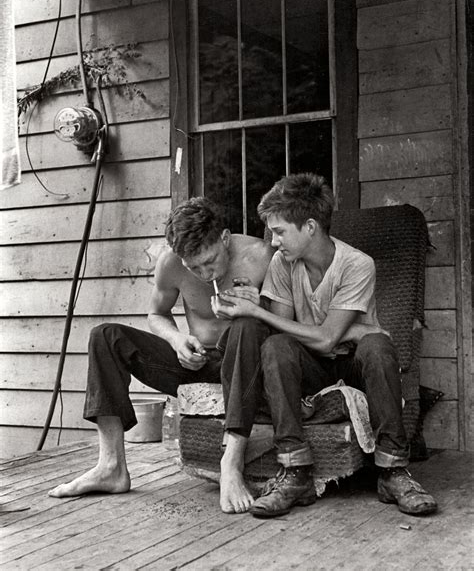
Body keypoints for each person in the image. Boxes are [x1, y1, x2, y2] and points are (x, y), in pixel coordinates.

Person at [212, 173, 437, 519]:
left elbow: (328, 338)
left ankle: (393, 472)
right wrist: (345, 330)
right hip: (312, 365)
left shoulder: (357, 264)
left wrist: (259, 311)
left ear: (311, 227)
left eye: (280, 231)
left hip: (352, 365)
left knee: (376, 345)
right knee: (276, 348)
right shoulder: (282, 264)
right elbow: (284, 334)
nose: (273, 242)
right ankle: (296, 472)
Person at [48, 196, 274, 514]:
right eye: (193, 266)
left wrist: (254, 308)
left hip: (246, 365)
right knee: (106, 337)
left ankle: (231, 462)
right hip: (196, 360)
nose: (204, 272)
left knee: (246, 325)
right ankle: (110, 465)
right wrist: (177, 339)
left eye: (210, 261)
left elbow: (287, 322)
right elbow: (157, 314)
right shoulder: (170, 262)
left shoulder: (261, 256)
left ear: (224, 238)